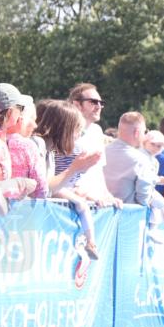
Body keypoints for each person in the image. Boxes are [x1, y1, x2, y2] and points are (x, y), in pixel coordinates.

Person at [37, 100, 110, 261]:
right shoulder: (40, 145)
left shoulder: (50, 149)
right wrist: (75, 168)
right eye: (77, 130)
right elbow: (46, 188)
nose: (78, 136)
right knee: (80, 203)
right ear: (64, 128)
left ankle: (90, 241)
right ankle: (90, 242)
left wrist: (78, 170)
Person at [104, 112, 164, 209]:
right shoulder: (141, 159)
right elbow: (143, 197)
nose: (144, 136)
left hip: (102, 216)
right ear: (137, 132)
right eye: (144, 132)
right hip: (129, 216)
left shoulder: (103, 151)